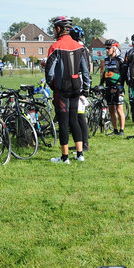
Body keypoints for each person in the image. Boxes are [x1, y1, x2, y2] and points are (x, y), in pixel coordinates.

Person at [45, 16, 91, 163]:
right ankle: (80, 154)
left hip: (62, 88)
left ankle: (65, 157)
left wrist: (53, 86)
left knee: (63, 123)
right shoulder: (80, 46)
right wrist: (86, 88)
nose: (53, 31)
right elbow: (86, 71)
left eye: (54, 29)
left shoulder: (55, 46)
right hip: (76, 87)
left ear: (59, 29)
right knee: (74, 120)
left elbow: (49, 72)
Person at [100, 39, 127, 136]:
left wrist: (118, 86)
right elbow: (104, 73)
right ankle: (115, 130)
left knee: (119, 109)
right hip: (108, 87)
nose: (107, 50)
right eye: (106, 48)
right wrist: (101, 84)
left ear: (114, 48)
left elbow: (123, 75)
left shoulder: (120, 60)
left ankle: (122, 130)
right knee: (111, 109)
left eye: (108, 48)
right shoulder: (106, 60)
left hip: (118, 87)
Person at [70, 26, 89, 151]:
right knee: (78, 114)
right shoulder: (84, 48)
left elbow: (84, 69)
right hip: (82, 80)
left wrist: (86, 87)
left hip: (79, 80)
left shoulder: (79, 48)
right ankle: (82, 143)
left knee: (80, 115)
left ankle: (84, 144)